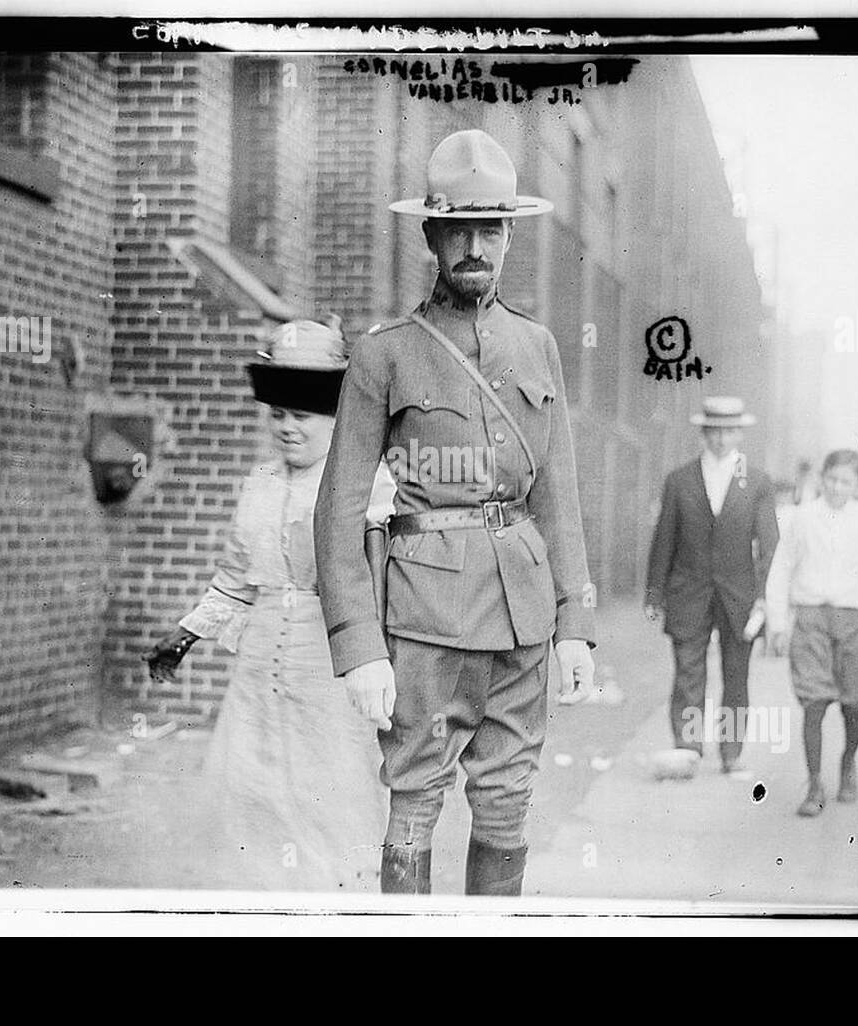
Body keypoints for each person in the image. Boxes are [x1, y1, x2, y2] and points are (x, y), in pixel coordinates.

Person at [313, 129, 596, 897]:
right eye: (459, 229)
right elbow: (338, 505)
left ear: (508, 235)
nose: (476, 246)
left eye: (491, 229)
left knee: (507, 803)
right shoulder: (385, 353)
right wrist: (359, 645)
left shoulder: (537, 347)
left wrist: (575, 624)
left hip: (525, 618)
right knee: (416, 799)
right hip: (424, 619)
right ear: (432, 236)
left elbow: (559, 495)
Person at [144, 319, 394, 892]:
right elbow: (234, 579)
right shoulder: (259, 482)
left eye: (301, 416)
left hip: (330, 670)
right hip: (258, 673)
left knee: (328, 807)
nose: (286, 428)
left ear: (335, 417)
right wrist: (186, 635)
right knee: (251, 799)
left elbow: (385, 587)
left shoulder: (369, 486)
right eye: (278, 415)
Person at [765, 448, 858, 817]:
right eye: (831, 478)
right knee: (813, 703)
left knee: (854, 701)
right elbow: (781, 569)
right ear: (821, 477)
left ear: (857, 485)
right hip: (812, 619)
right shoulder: (802, 518)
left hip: (854, 620)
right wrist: (779, 624)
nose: (836, 487)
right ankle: (814, 784)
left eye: (845, 481)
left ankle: (847, 765)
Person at [644, 396, 779, 776]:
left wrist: (765, 597)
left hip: (740, 596)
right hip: (688, 592)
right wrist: (655, 592)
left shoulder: (758, 481)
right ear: (704, 433)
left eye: (729, 432)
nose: (721, 440)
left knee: (737, 677)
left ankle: (732, 753)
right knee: (688, 674)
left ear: (740, 434)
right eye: (714, 432)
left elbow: (770, 546)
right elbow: (664, 540)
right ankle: (687, 749)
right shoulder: (680, 479)